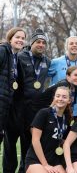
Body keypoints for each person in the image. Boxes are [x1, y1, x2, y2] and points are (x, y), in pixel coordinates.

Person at [3, 29, 50, 173]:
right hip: (15, 110)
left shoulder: (47, 61)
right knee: (10, 148)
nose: (40, 45)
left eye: (43, 43)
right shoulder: (19, 56)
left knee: (27, 148)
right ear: (32, 43)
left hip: (32, 113)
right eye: (38, 42)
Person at [25, 87, 72, 173]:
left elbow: (64, 142)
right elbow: (35, 140)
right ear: (54, 97)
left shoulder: (67, 118)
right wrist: (45, 164)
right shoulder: (44, 113)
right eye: (58, 96)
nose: (60, 99)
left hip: (55, 161)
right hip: (36, 160)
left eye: (64, 97)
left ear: (69, 100)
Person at [0, 27, 26, 146]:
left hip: (5, 107)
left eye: (23, 38)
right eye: (17, 37)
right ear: (10, 39)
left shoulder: (15, 57)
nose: (20, 40)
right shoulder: (3, 51)